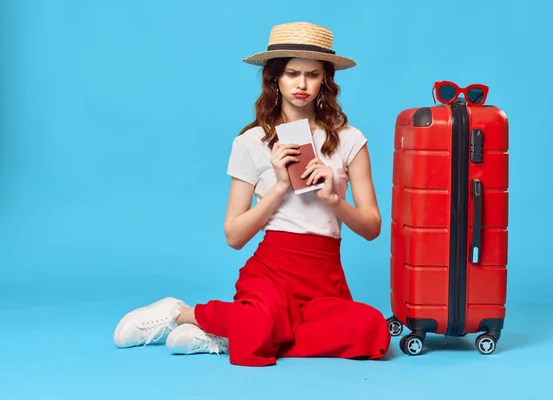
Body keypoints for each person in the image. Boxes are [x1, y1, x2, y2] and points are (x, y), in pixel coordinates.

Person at [113, 21, 391, 367]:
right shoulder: (251, 142)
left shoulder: (349, 139)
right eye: (292, 73)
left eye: (312, 74)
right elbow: (234, 235)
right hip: (272, 272)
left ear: (325, 80)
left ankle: (231, 333)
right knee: (261, 321)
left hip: (325, 277)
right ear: (275, 77)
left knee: (373, 330)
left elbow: (372, 227)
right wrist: (278, 186)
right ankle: (182, 313)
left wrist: (335, 201)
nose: (302, 84)